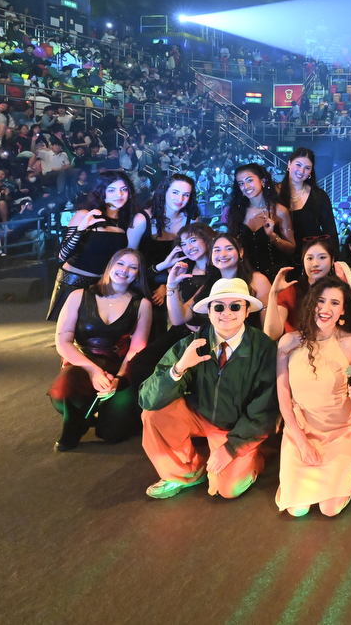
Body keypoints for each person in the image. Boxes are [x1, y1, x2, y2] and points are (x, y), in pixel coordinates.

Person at [139, 277, 279, 499]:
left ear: (246, 312)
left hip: (235, 428)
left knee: (227, 490)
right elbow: (147, 399)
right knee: (153, 414)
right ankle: (186, 473)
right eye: (219, 306)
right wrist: (179, 368)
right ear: (210, 311)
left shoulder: (263, 348)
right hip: (200, 414)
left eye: (235, 306)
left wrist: (231, 447)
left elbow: (266, 407)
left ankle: (253, 458)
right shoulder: (192, 343)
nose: (226, 312)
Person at [274, 276, 351, 518]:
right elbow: (284, 397)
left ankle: (347, 471)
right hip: (302, 430)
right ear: (312, 303)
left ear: (343, 310)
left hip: (341, 430)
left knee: (330, 509)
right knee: (297, 509)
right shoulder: (288, 343)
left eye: (335, 303)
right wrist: (302, 442)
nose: (326, 309)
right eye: (321, 301)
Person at [49, 249, 153, 451]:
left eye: (133, 267)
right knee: (62, 393)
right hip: (82, 362)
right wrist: (93, 371)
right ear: (110, 266)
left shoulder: (142, 304)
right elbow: (63, 341)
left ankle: (100, 412)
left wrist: (119, 379)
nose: (125, 270)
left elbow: (137, 348)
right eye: (121, 264)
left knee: (113, 432)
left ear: (138, 274)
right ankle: (76, 422)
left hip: (119, 365)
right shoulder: (79, 295)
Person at [46, 171, 145, 322]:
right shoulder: (85, 215)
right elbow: (62, 255)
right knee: (69, 333)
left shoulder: (128, 221)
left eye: (124, 189)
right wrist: (81, 229)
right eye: (111, 190)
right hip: (74, 281)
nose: (119, 194)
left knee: (97, 334)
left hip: (104, 284)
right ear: (101, 191)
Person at [225, 163, 294, 280]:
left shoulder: (279, 211)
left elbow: (291, 249)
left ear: (263, 181)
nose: (246, 186)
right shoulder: (236, 213)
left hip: (276, 277)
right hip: (247, 277)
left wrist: (272, 235)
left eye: (249, 180)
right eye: (241, 183)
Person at [282, 148, 337, 245]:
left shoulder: (319, 196)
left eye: (307, 168)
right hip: (279, 256)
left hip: (311, 256)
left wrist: (335, 258)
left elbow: (330, 231)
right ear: (289, 164)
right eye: (298, 165)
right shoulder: (273, 194)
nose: (301, 171)